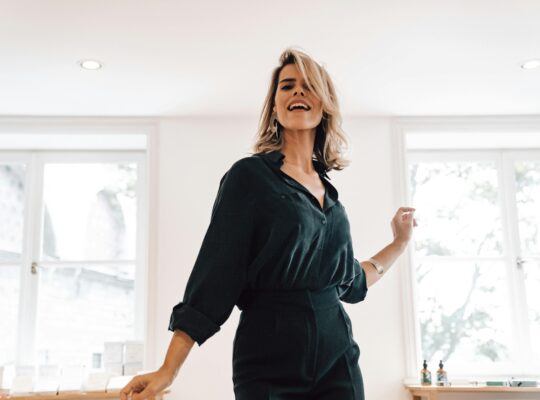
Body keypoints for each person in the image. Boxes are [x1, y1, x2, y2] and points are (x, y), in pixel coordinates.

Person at [120, 47, 417, 400]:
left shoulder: (332, 199)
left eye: (308, 86)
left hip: (339, 357)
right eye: (287, 86)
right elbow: (214, 276)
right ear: (275, 106)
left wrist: (398, 244)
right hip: (269, 355)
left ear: (325, 104)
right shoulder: (250, 177)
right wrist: (168, 370)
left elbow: (350, 282)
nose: (297, 92)